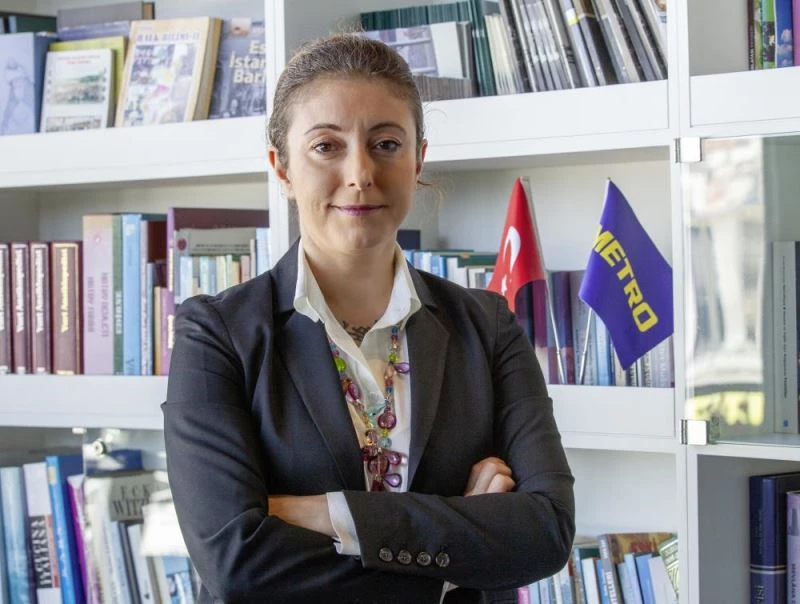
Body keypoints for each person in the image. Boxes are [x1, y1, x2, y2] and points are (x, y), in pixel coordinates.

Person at [162, 33, 575, 603]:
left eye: (385, 143)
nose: (360, 173)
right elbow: (235, 563)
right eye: (326, 146)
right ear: (282, 168)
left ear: (418, 159)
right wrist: (456, 561)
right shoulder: (217, 334)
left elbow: (545, 532)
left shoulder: (488, 327)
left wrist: (328, 515)